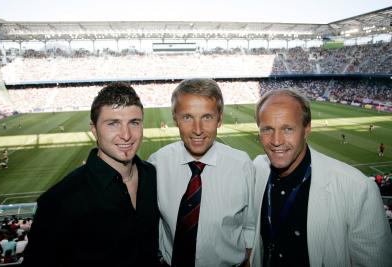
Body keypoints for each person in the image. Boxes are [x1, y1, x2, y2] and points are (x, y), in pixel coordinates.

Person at [22, 82, 160, 267]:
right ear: (94, 129)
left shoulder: (153, 176)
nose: (126, 135)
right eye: (113, 124)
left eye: (134, 123)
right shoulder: (59, 200)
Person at [250, 88, 392, 267]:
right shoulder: (257, 170)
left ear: (307, 129)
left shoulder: (357, 189)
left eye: (287, 129)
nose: (276, 141)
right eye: (267, 129)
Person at [148, 78, 256, 267]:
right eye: (187, 117)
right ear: (175, 118)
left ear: (220, 119)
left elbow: (250, 225)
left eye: (207, 117)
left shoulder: (242, 165)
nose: (197, 130)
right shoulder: (157, 163)